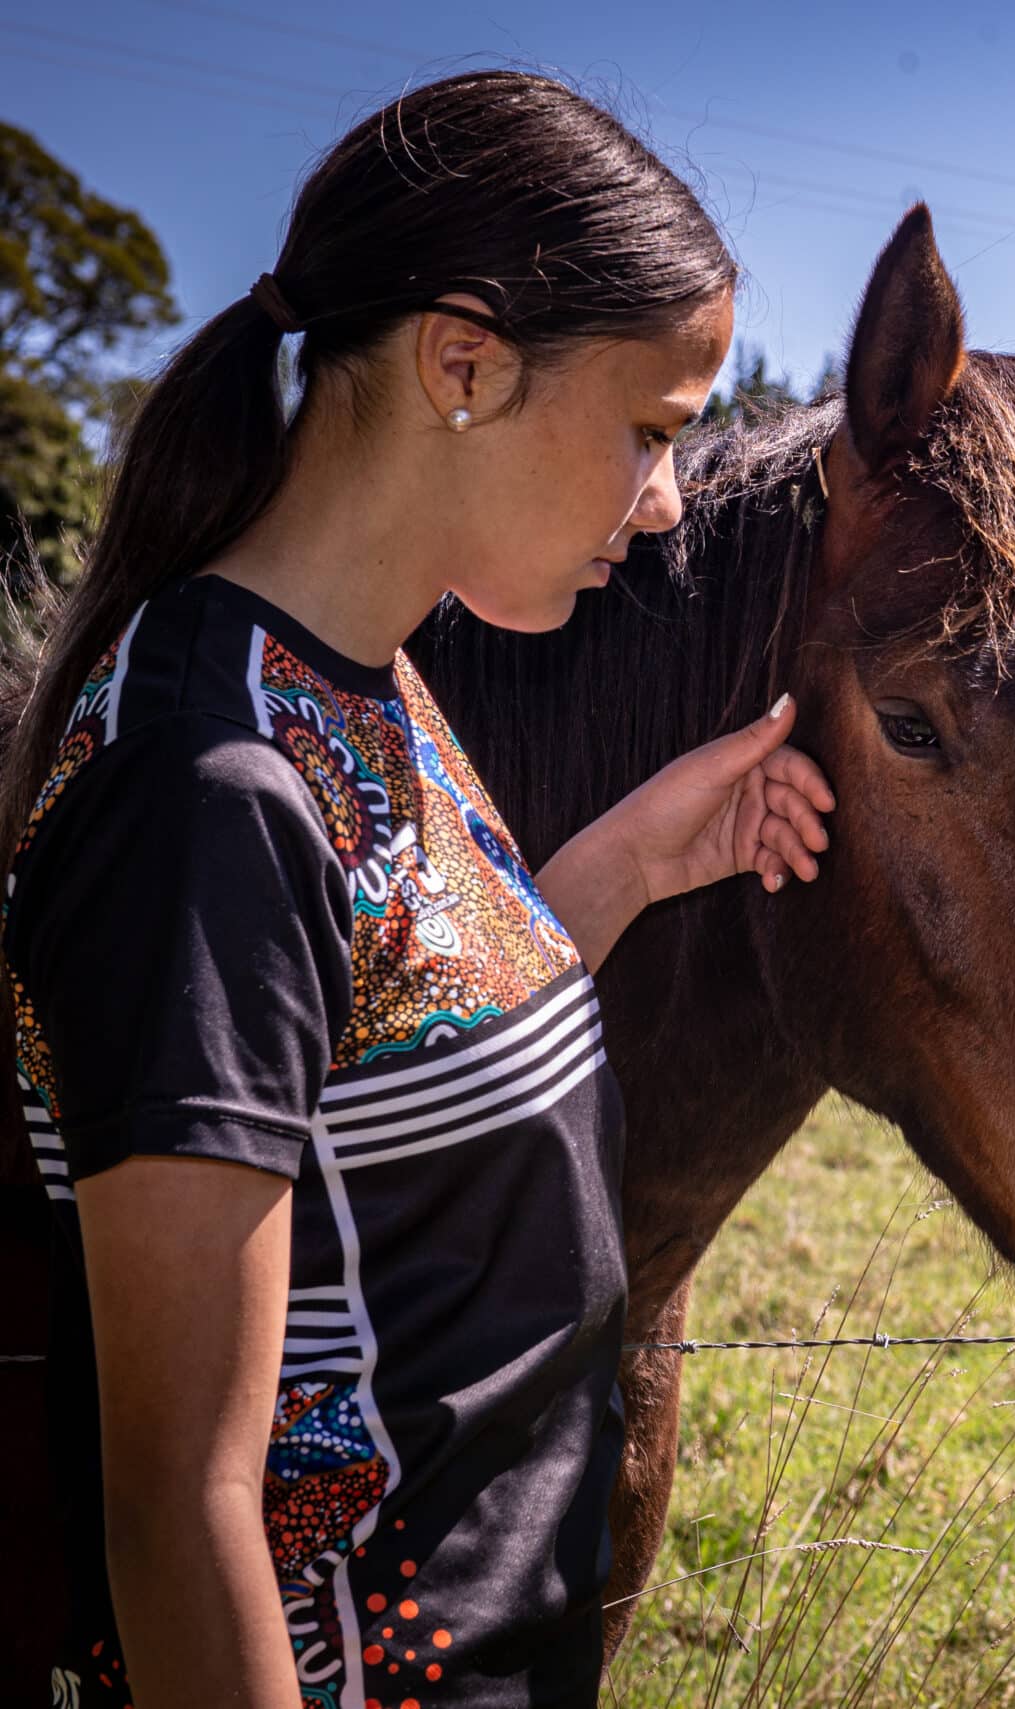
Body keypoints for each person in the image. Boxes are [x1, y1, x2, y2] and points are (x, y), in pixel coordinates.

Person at [2, 73, 835, 1708]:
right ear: (464, 363)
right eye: (651, 430)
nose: (664, 502)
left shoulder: (359, 675)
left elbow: (378, 1070)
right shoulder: (207, 798)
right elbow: (182, 1512)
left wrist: (633, 859)